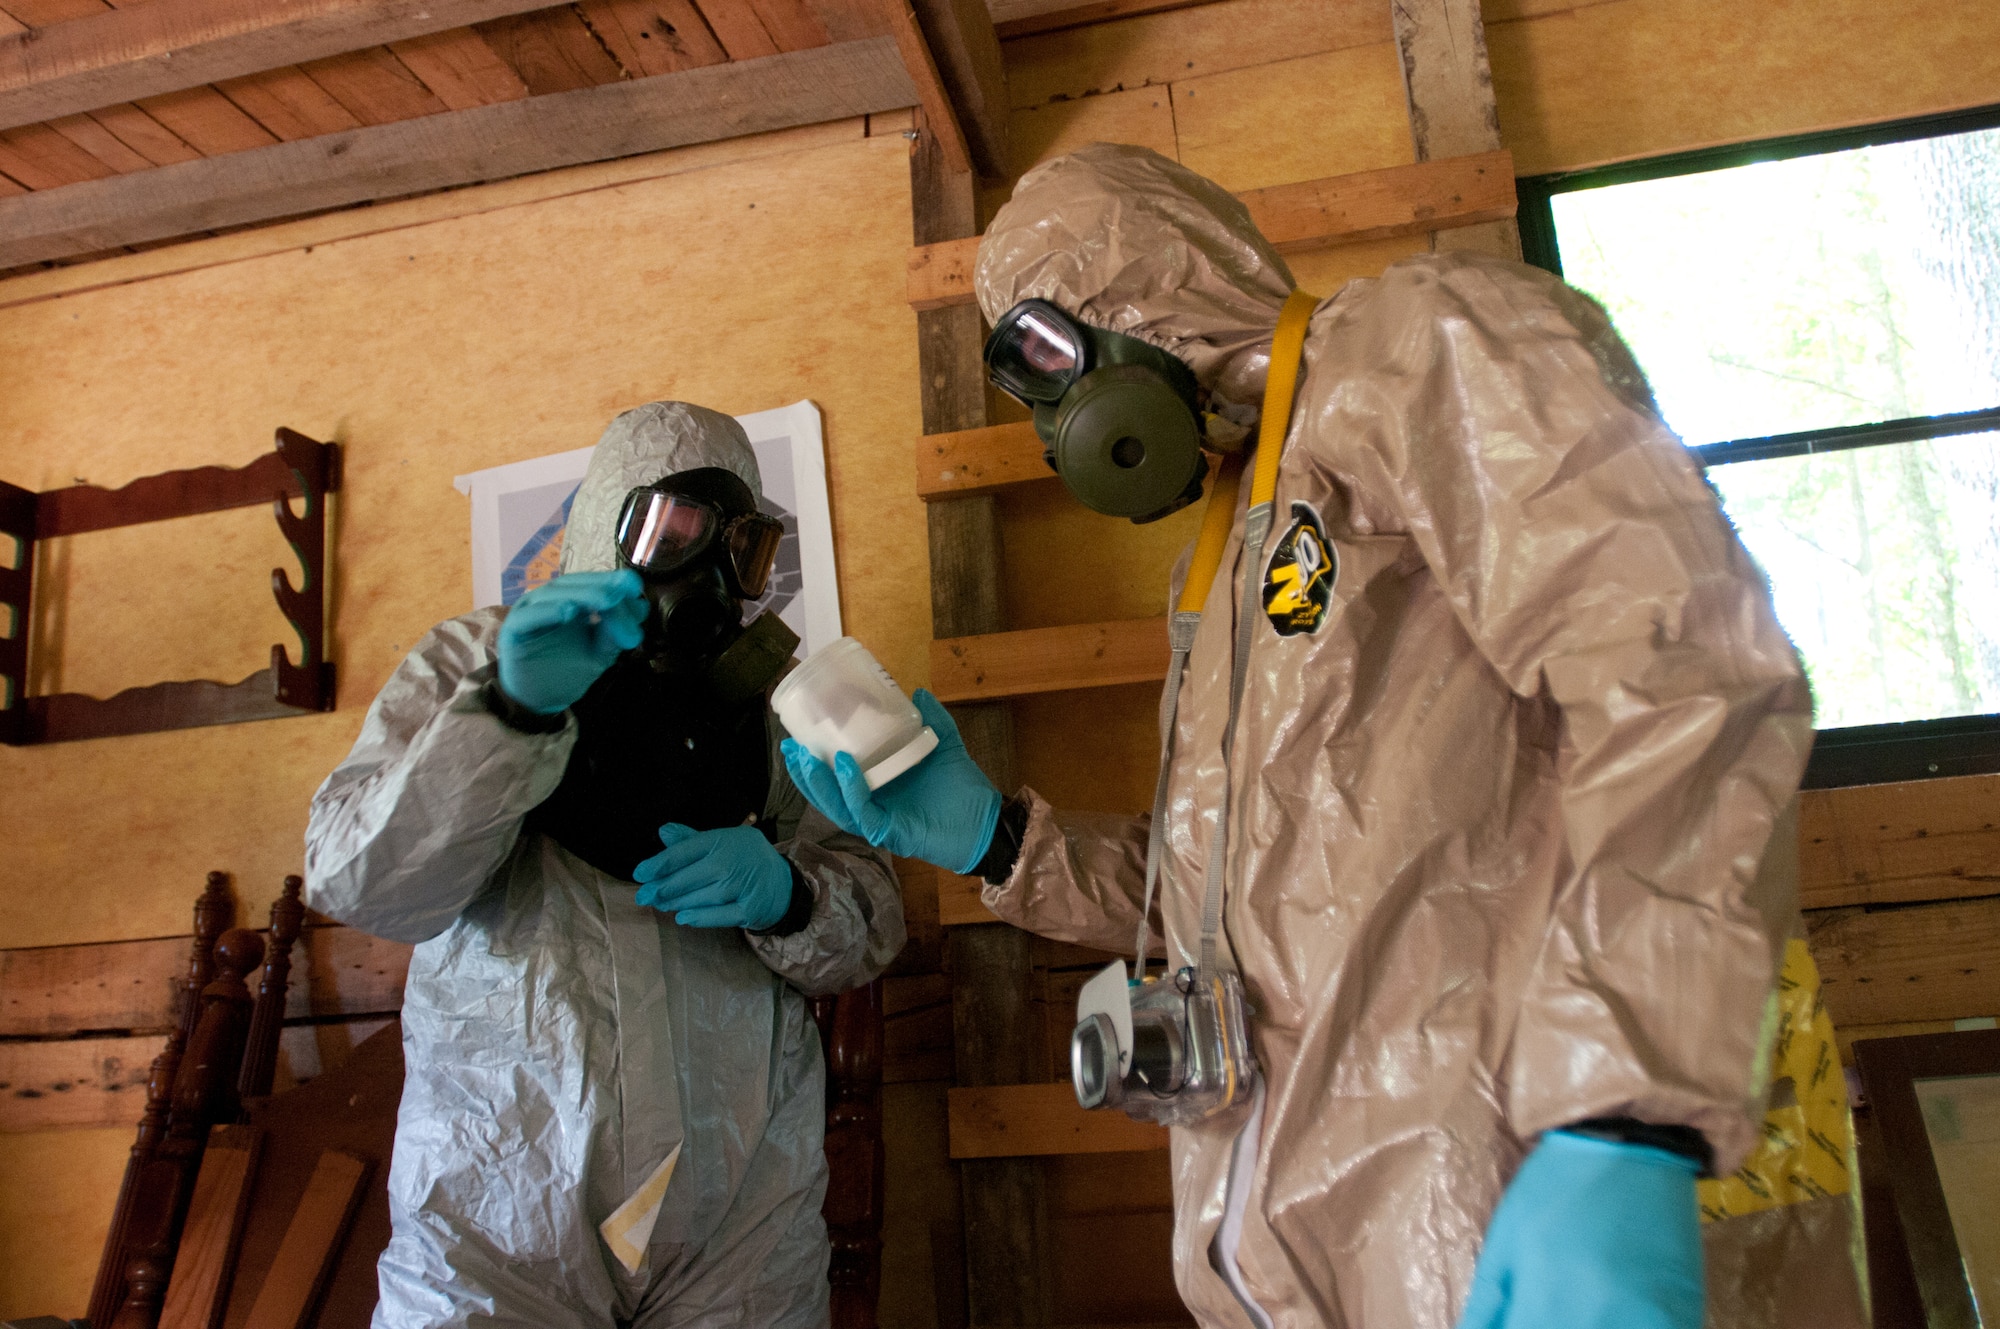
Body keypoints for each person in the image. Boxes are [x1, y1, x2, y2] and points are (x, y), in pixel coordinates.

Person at [785, 145, 1864, 1329]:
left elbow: (1674, 670)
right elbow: (1236, 906)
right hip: (1323, 1264)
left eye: (1044, 355)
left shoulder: (1420, 344)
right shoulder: (1224, 556)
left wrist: (1626, 1115)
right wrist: (998, 841)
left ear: (1147, 282)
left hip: (1522, 1203)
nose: (1052, 418)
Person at [306, 401, 903, 1329]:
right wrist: (506, 712)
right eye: (671, 531)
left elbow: (869, 926)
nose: (703, 573)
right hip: (493, 1209)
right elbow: (362, 882)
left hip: (741, 1214)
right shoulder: (475, 656)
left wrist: (792, 895)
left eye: (736, 547)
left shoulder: (780, 707)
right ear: (603, 528)